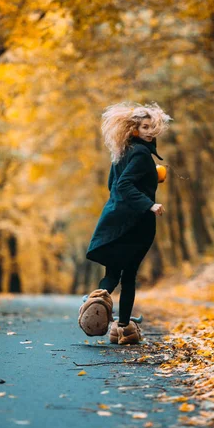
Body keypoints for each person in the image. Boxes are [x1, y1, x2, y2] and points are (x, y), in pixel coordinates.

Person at [78, 101, 172, 345]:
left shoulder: (121, 153)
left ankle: (96, 300)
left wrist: (149, 181)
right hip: (137, 224)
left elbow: (113, 185)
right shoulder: (141, 154)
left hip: (114, 219)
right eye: (145, 127)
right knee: (129, 275)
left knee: (112, 273)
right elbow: (123, 185)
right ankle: (123, 328)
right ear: (134, 130)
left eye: (153, 126)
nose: (150, 131)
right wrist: (148, 204)